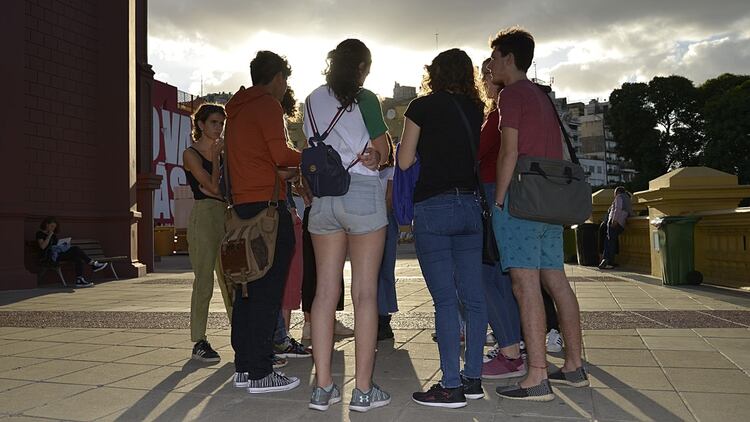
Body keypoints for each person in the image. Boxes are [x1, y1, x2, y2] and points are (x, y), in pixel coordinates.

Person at [489, 27, 588, 402]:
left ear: (509, 58)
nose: (492, 64)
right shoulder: (542, 96)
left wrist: (499, 200)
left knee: (524, 285)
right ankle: (575, 364)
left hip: (522, 201)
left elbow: (509, 152)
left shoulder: (511, 95)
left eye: (496, 57)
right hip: (549, 203)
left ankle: (537, 374)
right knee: (556, 282)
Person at [304, 39, 391, 413]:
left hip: (323, 199)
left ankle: (323, 388)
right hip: (361, 193)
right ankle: (363, 392)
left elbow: (310, 144)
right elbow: (382, 150)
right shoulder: (366, 99)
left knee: (325, 292)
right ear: (361, 68)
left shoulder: (310, 99)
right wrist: (377, 154)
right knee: (365, 294)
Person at [398, 48, 488, 409]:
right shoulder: (475, 108)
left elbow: (404, 160)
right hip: (469, 206)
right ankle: (474, 379)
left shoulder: (421, 107)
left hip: (434, 207)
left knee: (445, 301)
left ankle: (450, 385)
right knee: (474, 298)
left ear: (433, 73)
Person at [225, 50, 302, 394]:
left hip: (241, 210)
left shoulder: (236, 111)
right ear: (278, 78)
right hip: (269, 212)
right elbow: (282, 155)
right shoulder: (268, 105)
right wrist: (313, 155)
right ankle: (261, 371)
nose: (285, 88)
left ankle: (244, 367)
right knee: (267, 292)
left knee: (245, 290)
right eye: (285, 80)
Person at [476, 59, 526, 380]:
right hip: (503, 195)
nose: (484, 80)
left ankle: (510, 351)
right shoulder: (500, 113)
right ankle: (513, 345)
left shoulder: (497, 115)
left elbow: (476, 152)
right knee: (503, 276)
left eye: (487, 74)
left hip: (494, 194)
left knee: (488, 275)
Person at [183, 103, 233, 364]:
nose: (219, 127)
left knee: (231, 280)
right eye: (214, 122)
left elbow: (223, 190)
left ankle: (241, 336)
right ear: (201, 124)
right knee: (204, 281)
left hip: (225, 215)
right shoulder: (190, 154)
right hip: (203, 217)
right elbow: (212, 186)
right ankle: (199, 340)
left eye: (221, 123)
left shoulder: (225, 152)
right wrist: (215, 157)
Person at [273, 88, 312, 360]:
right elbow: (279, 168)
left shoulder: (275, 126)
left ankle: (282, 337)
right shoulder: (271, 126)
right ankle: (280, 338)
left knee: (289, 278)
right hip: (279, 211)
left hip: (286, 210)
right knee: (284, 278)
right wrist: (303, 162)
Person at [35, 216, 108, 288]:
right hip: (48, 257)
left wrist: (63, 245)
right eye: (51, 226)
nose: (53, 228)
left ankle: (79, 280)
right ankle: (93, 264)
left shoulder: (53, 235)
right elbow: (43, 246)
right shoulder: (40, 233)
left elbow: (56, 246)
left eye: (54, 227)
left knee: (77, 257)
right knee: (76, 249)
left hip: (57, 254)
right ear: (46, 224)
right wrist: (49, 236)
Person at [377, 143, 399, 341]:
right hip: (372, 222)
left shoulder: (391, 171)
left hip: (384, 222)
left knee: (384, 271)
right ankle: (375, 318)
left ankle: (384, 320)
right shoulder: (367, 170)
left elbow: (389, 200)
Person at [599, 186, 630, 269]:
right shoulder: (627, 199)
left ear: (617, 192)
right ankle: (610, 261)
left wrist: (614, 220)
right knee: (612, 241)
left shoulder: (619, 197)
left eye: (614, 193)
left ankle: (606, 260)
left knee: (609, 241)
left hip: (614, 222)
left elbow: (617, 209)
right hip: (622, 223)